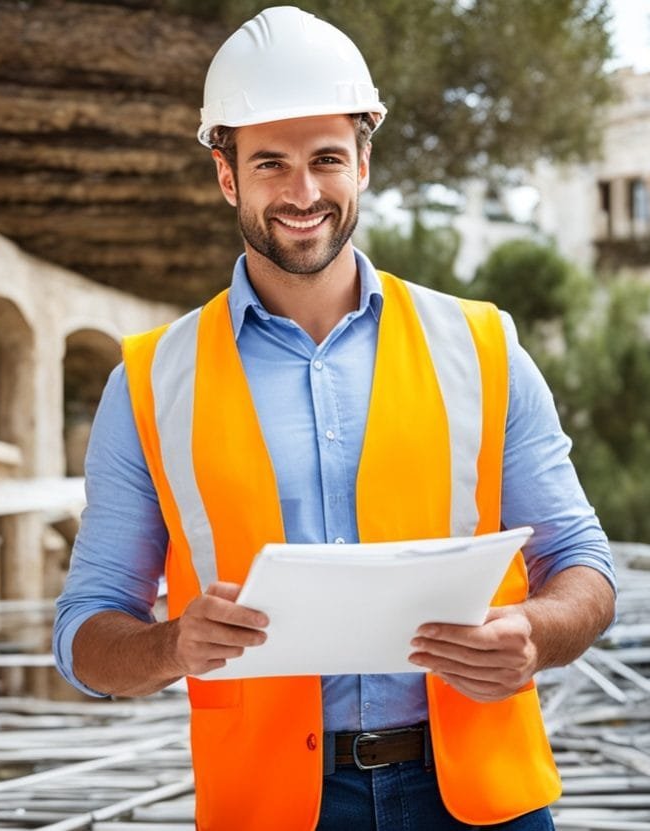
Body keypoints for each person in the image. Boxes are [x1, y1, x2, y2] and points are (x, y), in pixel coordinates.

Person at [54, 6, 616, 830]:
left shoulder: (482, 346)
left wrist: (531, 631)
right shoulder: (147, 382)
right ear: (226, 175)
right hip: (272, 808)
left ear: (363, 160)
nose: (303, 192)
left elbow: (584, 567)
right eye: (270, 163)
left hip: (482, 800)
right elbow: (85, 634)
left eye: (325, 158)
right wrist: (173, 644)